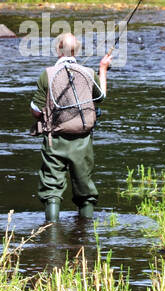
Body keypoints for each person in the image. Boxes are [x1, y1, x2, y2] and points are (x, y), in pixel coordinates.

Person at [30, 32, 112, 221]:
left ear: (58, 49)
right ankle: (86, 234)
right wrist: (103, 68)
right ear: (77, 50)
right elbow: (101, 98)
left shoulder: (47, 74)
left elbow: (35, 110)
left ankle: (51, 233)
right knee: (85, 189)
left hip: (54, 140)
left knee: (51, 189)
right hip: (82, 139)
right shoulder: (89, 73)